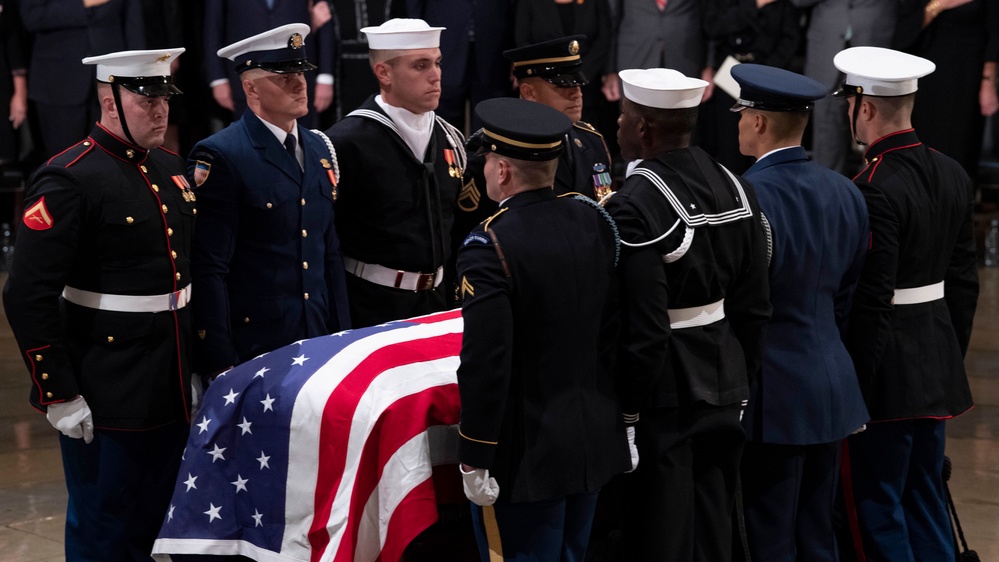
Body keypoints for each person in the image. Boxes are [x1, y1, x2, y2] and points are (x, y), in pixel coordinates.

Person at [3, 48, 192, 560]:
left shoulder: (172, 169)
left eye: (165, 99)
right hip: (107, 386)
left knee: (166, 525)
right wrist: (57, 392)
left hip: (171, 380)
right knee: (106, 530)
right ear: (109, 100)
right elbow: (26, 293)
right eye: (145, 99)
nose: (160, 111)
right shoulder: (69, 177)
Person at [605, 68, 771, 562]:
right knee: (714, 526)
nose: (617, 125)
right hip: (724, 374)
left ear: (643, 129)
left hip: (666, 392)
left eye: (625, 117)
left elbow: (646, 328)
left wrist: (628, 412)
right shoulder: (735, 185)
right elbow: (755, 305)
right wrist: (743, 379)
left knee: (663, 534)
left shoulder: (635, 205)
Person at [456, 97, 631, 561]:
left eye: (490, 160)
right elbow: (615, 331)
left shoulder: (490, 244)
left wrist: (475, 451)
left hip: (526, 453)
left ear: (503, 172)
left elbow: (486, 363)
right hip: (593, 438)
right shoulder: (595, 219)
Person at [833, 46, 979, 561]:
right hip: (936, 360)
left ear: (864, 108)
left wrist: (858, 385)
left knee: (876, 505)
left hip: (886, 373)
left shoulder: (871, 187)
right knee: (925, 496)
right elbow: (964, 284)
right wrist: (946, 358)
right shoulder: (954, 173)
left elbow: (872, 298)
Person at [730, 63, 869, 562]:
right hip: (833, 384)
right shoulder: (846, 190)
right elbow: (848, 291)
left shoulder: (748, 196)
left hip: (774, 392)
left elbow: (744, 302)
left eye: (742, 113)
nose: (739, 123)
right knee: (817, 535)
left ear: (760, 122)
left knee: (769, 536)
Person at [188, 24, 350, 378]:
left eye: (301, 72)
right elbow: (209, 267)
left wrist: (343, 333)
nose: (299, 83)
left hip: (319, 332)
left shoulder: (320, 147)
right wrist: (218, 359)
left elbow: (329, 252)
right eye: (284, 75)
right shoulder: (222, 155)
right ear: (250, 88)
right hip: (257, 343)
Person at [323, 18, 467, 328]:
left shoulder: (451, 138)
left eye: (438, 63)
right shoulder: (346, 142)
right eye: (420, 66)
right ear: (384, 73)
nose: (436, 76)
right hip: (371, 308)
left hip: (440, 304)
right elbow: (327, 240)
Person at [452, 36, 614, 246]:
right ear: (529, 93)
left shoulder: (591, 140)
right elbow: (470, 234)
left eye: (578, 85)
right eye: (563, 87)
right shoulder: (495, 152)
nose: (577, 94)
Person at [20, 0, 144, 158]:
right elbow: (32, 16)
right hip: (58, 80)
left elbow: (134, 24)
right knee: (64, 160)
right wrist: (85, 4)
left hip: (113, 78)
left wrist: (138, 73)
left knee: (112, 159)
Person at [788, 0, 897, 175]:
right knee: (827, 129)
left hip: (876, 41)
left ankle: (875, 192)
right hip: (826, 46)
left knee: (876, 121)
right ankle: (826, 192)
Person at [203, 0, 336, 128]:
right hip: (247, 75)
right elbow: (213, 27)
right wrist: (218, 79)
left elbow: (324, 19)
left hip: (299, 71)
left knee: (302, 141)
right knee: (250, 140)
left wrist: (325, 76)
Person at [406, 0, 515, 131]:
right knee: (443, 126)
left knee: (489, 125)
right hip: (443, 48)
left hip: (495, 54)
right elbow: (413, 8)